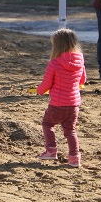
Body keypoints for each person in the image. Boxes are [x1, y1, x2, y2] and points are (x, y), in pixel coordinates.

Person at [36, 29, 86, 168]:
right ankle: (74, 157)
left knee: (47, 124)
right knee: (70, 130)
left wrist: (39, 91)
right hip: (74, 104)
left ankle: (51, 150)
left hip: (58, 104)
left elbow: (46, 83)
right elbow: (83, 80)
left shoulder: (54, 63)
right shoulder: (80, 61)